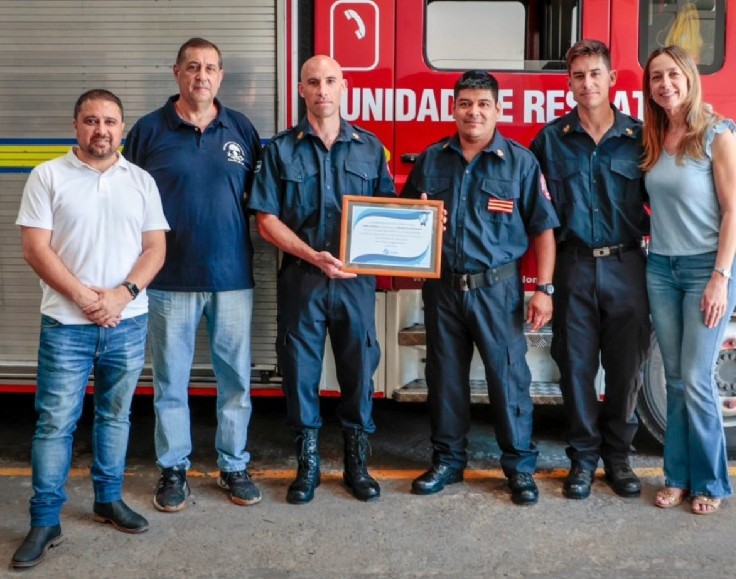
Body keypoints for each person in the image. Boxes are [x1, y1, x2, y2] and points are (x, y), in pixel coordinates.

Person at [11, 89, 169, 569]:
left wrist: (121, 296)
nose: (101, 130)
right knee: (56, 423)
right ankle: (44, 520)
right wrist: (84, 298)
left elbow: (155, 249)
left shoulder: (140, 181)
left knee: (115, 417)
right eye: (91, 121)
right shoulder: (47, 176)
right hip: (66, 323)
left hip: (127, 323)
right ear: (75, 126)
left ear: (123, 128)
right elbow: (36, 249)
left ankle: (108, 499)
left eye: (111, 121)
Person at [403, 70, 559, 506]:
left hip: (497, 290)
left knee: (509, 380)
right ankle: (448, 463)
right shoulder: (431, 160)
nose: (473, 112)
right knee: (446, 381)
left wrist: (543, 289)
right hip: (444, 291)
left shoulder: (521, 162)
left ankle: (519, 469)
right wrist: (422, 224)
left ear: (497, 109)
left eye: (483, 104)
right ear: (453, 108)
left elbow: (543, 230)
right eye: (465, 103)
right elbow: (406, 218)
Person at [123, 37, 262, 511]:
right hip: (167, 280)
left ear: (221, 76)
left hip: (232, 278)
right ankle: (174, 468)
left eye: (211, 68)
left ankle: (233, 464)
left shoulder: (241, 129)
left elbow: (260, 202)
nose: (202, 76)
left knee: (236, 381)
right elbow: (126, 204)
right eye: (193, 67)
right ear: (176, 72)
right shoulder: (147, 131)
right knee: (170, 381)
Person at [249, 55, 394, 504]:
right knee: (300, 373)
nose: (322, 89)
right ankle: (307, 466)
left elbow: (390, 215)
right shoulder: (280, 150)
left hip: (355, 282)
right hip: (302, 278)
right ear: (300, 89)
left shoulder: (371, 148)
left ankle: (356, 465)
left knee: (359, 371)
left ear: (344, 85)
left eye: (331, 80)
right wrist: (312, 254)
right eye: (313, 82)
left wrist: (420, 224)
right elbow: (266, 219)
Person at [530, 39, 652, 500]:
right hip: (574, 267)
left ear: (612, 79)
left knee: (627, 370)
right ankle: (582, 461)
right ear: (569, 83)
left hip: (627, 266)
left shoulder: (641, 137)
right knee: (575, 368)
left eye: (595, 74)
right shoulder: (550, 140)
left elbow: (668, 200)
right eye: (578, 76)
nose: (587, 84)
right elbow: (532, 209)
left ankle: (618, 458)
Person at [642, 45, 736, 515]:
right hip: (661, 268)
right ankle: (676, 477)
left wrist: (720, 277)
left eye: (673, 74)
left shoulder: (718, 134)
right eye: (656, 77)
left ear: (689, 77)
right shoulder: (656, 133)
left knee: (698, 380)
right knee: (677, 380)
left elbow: (732, 212)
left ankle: (711, 483)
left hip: (706, 268)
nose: (665, 83)